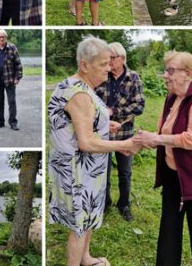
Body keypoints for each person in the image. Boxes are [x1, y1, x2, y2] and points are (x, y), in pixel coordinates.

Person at [48, 36, 141, 266]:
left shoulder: (80, 86)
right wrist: (125, 145)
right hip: (79, 172)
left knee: (88, 216)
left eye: (110, 63)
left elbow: (79, 123)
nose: (109, 70)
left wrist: (102, 124)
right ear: (84, 65)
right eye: (103, 64)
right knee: (79, 225)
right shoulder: (79, 94)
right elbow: (86, 142)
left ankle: (86, 258)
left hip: (88, 171)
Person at [134, 51, 192, 266]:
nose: (165, 75)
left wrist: (156, 138)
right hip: (175, 176)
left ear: (188, 74)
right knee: (169, 232)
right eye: (166, 70)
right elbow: (163, 133)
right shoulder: (172, 97)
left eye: (170, 71)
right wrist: (140, 142)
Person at [96, 42, 145, 222]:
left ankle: (124, 204)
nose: (108, 61)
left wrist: (114, 113)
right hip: (103, 135)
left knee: (125, 172)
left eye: (111, 58)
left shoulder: (133, 78)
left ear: (122, 59)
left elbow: (139, 106)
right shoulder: (102, 75)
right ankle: (105, 202)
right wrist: (103, 116)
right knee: (104, 171)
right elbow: (92, 102)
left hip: (125, 135)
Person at [0, 29, 23, 131]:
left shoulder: (12, 48)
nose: (1, 38)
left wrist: (17, 77)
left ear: (6, 38)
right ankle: (0, 121)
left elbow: (18, 64)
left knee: (11, 101)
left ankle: (12, 122)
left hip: (10, 79)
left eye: (3, 36)